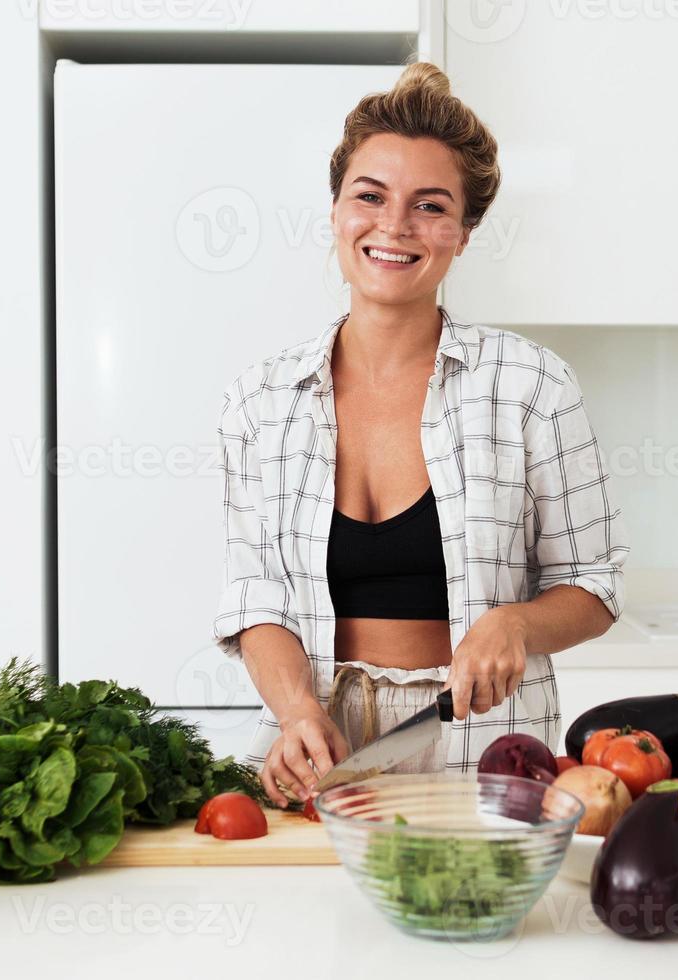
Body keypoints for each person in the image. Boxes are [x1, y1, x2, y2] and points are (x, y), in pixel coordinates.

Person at [211, 61, 628, 808]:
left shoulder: (532, 386)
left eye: (430, 207)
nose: (394, 226)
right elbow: (254, 600)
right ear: (336, 211)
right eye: (369, 196)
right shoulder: (260, 401)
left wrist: (517, 624)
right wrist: (298, 713)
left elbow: (594, 585)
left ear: (465, 233)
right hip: (321, 754)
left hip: (485, 749)